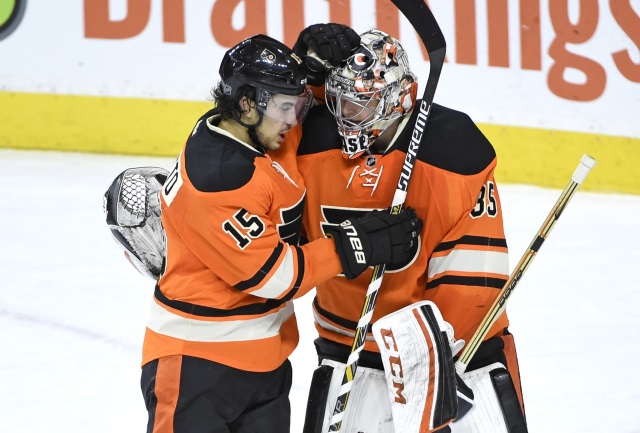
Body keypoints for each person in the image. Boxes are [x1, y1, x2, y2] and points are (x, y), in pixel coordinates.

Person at [104, 32, 423, 433]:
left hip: (266, 361)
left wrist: (314, 65)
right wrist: (354, 245)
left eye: (297, 105)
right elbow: (277, 277)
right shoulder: (219, 178)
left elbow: (317, 101)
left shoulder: (261, 131)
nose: (294, 119)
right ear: (246, 105)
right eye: (285, 107)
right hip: (197, 366)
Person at [291, 28, 528, 432]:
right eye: (339, 99)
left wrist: (438, 363)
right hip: (347, 349)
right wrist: (307, 75)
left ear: (397, 99)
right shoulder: (308, 140)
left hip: (457, 358)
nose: (345, 112)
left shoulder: (452, 153)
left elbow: (473, 278)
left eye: (359, 103)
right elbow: (258, 123)